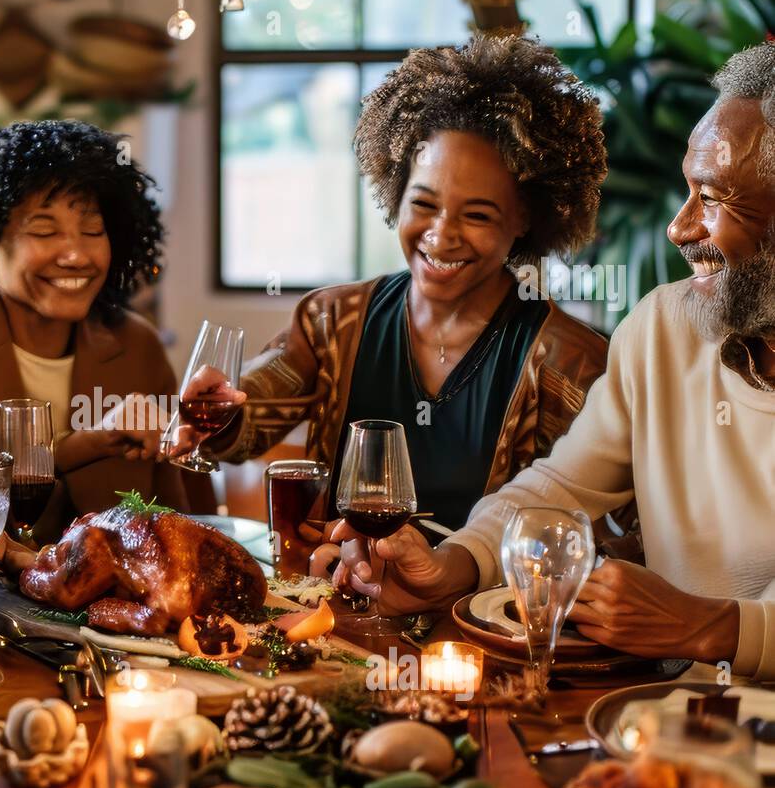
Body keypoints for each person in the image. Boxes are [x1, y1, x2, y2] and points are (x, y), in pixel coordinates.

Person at [322, 42, 775, 680]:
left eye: (715, 200)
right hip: (660, 719)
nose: (679, 228)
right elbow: (561, 488)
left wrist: (717, 626)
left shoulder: (560, 347)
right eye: (687, 192)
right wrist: (447, 567)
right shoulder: (663, 327)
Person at [181, 36, 611, 533]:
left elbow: (603, 523)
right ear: (396, 193)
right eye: (424, 204)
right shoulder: (331, 322)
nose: (440, 235)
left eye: (477, 214)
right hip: (335, 602)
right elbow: (248, 426)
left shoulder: (568, 362)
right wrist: (217, 409)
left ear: (525, 221)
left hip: (473, 610)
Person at [0, 120, 212, 539]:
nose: (75, 254)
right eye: (43, 230)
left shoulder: (136, 343)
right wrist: (89, 442)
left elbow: (188, 515)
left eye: (93, 230)